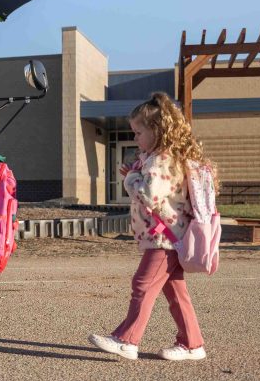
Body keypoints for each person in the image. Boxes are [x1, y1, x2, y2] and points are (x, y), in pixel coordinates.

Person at [89, 93, 213, 362]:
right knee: (175, 291)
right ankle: (192, 343)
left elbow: (149, 195)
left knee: (142, 284)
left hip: (163, 238)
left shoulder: (160, 159)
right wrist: (137, 170)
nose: (134, 138)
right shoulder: (160, 158)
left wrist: (132, 178)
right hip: (172, 234)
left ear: (156, 131)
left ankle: (127, 340)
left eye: (137, 132)